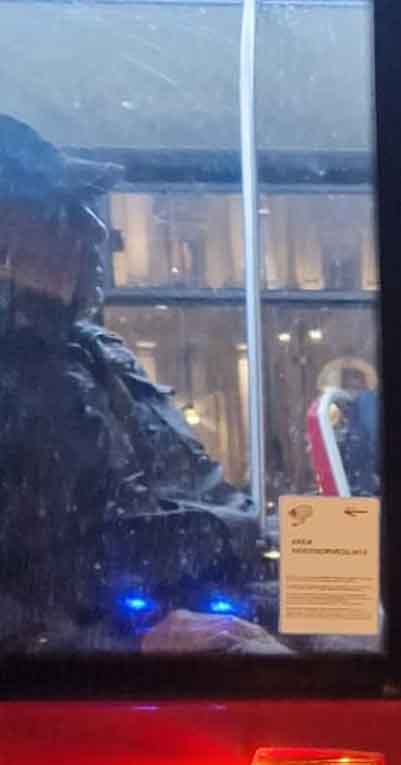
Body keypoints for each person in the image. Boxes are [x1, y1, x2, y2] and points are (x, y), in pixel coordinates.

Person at [0, 113, 283, 655]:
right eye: (62, 214)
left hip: (205, 617)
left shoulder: (100, 355)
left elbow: (193, 499)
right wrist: (127, 651)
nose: (98, 231)